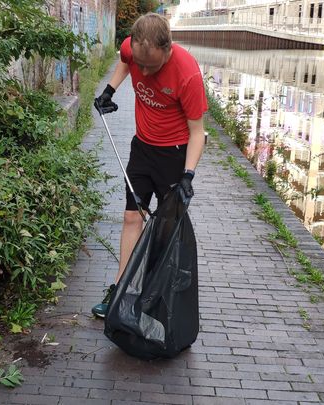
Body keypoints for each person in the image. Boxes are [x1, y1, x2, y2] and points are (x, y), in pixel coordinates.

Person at [91, 12, 208, 318]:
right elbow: (126, 61)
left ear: (168, 49)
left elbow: (198, 133)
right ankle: (119, 289)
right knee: (132, 217)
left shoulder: (187, 75)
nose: (143, 70)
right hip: (142, 148)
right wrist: (109, 90)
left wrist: (188, 175)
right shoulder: (135, 48)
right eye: (140, 63)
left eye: (151, 66)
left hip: (174, 154)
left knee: (166, 230)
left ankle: (159, 294)